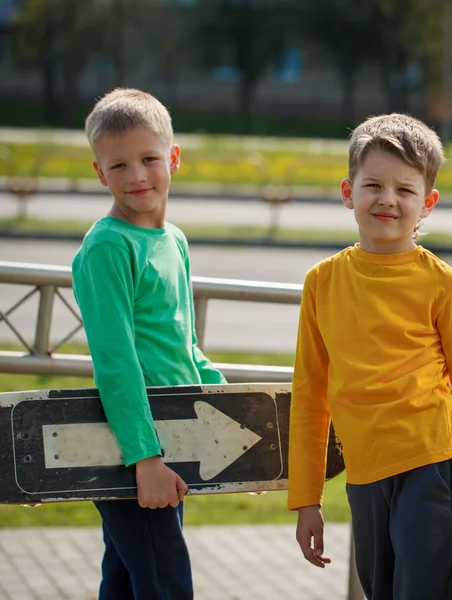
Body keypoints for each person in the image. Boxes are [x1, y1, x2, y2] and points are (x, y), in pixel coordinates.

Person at [287, 113, 452, 600]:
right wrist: (306, 499)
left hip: (437, 466)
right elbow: (309, 396)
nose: (388, 199)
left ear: (427, 204)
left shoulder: (444, 285)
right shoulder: (321, 283)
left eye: (405, 190)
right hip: (365, 478)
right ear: (348, 192)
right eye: (374, 185)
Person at [72, 88, 226, 599]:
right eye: (118, 166)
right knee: (165, 583)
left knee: (125, 579)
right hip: (129, 446)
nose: (136, 176)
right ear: (100, 174)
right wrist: (145, 460)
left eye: (149, 159)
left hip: (171, 437)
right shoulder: (107, 248)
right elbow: (116, 363)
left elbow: (183, 343)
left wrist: (224, 395)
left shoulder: (173, 241)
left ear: (173, 159)